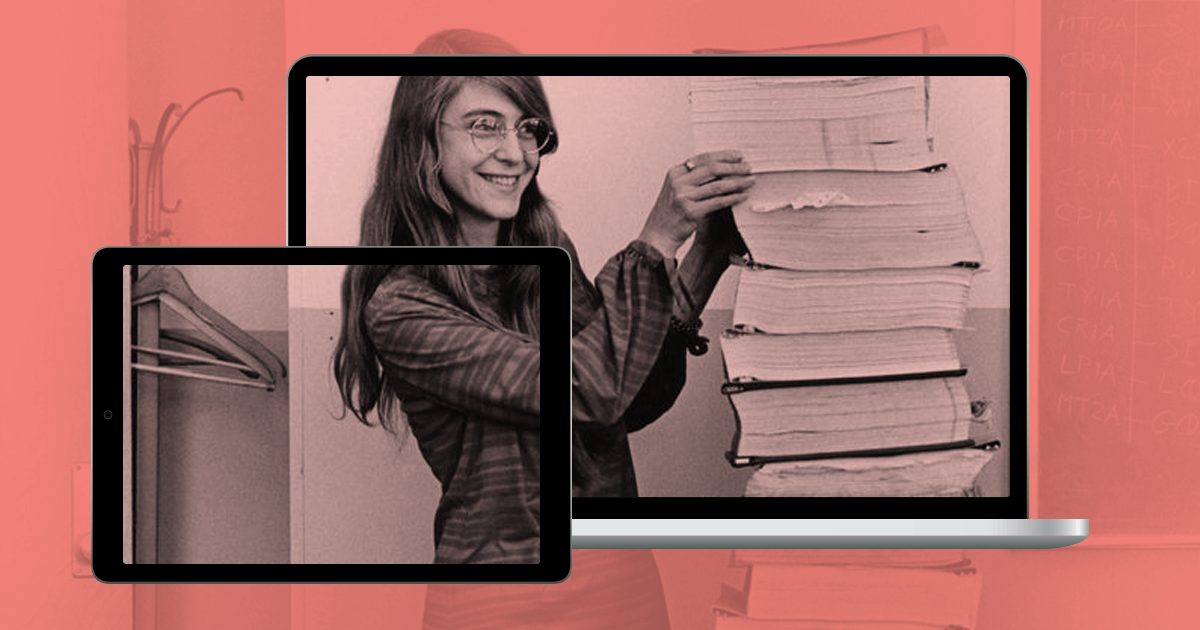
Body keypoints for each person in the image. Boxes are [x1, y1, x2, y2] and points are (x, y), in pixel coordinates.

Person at [333, 70, 751, 621]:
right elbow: (585, 391)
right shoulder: (400, 305)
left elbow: (625, 401)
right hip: (506, 599)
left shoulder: (545, 255)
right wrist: (657, 240)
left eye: (527, 129)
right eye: (485, 127)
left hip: (619, 581)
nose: (515, 153)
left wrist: (707, 255)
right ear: (424, 142)